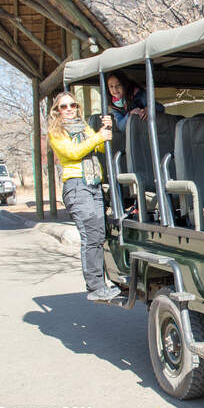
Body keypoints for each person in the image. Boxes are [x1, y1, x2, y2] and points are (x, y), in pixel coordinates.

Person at [48, 91, 120, 302]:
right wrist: (98, 136)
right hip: (76, 185)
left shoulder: (84, 127)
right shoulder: (56, 132)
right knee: (90, 236)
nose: (69, 109)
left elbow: (98, 146)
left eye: (72, 105)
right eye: (63, 106)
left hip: (93, 183)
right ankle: (95, 286)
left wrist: (106, 129)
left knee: (99, 233)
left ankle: (104, 282)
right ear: (57, 111)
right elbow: (73, 153)